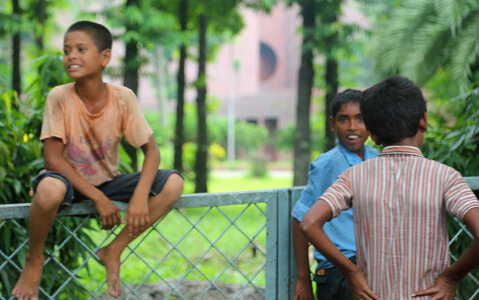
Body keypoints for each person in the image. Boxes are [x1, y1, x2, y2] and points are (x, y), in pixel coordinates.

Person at [11, 20, 184, 300]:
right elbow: (52, 159)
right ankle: (34, 259)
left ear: (105, 57)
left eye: (81, 49)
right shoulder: (60, 97)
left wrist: (140, 195)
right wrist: (98, 200)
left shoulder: (123, 98)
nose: (72, 56)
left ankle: (113, 250)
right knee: (49, 188)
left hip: (107, 182)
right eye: (66, 51)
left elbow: (151, 151)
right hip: (65, 181)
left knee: (174, 183)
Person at [300, 75, 479, 299]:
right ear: (423, 120)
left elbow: (308, 223)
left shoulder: (354, 176)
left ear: (373, 135)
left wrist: (352, 273)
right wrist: (451, 277)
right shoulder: (445, 177)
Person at [292, 89, 379, 300]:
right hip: (336, 270)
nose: (352, 127)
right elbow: (300, 218)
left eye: (360, 119)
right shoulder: (328, 163)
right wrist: (303, 278)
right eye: (343, 119)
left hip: (372, 265)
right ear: (332, 124)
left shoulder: (377, 159)